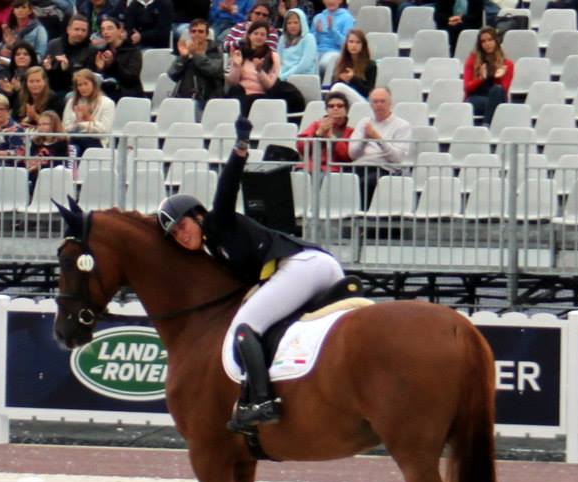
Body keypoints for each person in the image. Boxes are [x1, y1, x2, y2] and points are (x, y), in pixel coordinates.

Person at [156, 115, 345, 432]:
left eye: (183, 226)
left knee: (244, 325)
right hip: (322, 268)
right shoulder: (213, 252)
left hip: (302, 266)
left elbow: (227, 188)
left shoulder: (218, 223)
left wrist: (240, 148)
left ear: (198, 216)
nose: (181, 235)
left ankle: (261, 400)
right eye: (174, 235)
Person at [347, 86, 412, 206]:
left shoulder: (402, 125)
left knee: (366, 183)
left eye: (382, 101)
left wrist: (378, 139)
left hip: (384, 168)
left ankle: (362, 218)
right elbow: (352, 154)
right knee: (339, 180)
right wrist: (365, 139)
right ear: (370, 104)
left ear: (390, 103)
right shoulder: (364, 123)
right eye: (375, 102)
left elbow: (397, 158)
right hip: (360, 166)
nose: (379, 105)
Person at [168, 17, 224, 119]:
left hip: (207, 98)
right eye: (193, 31)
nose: (197, 34)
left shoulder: (215, 50)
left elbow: (213, 70)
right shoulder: (186, 49)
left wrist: (196, 55)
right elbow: (172, 74)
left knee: (193, 109)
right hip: (183, 96)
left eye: (200, 31)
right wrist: (183, 58)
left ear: (207, 34)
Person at [225, 20, 280, 115]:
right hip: (240, 94)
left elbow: (269, 85)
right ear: (249, 35)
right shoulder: (239, 53)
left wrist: (259, 71)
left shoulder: (273, 56)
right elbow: (232, 82)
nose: (259, 37)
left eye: (262, 34)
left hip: (260, 97)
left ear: (266, 38)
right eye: (256, 33)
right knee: (235, 93)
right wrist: (236, 66)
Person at [463, 26, 513, 127]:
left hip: (497, 100)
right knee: (493, 104)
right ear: (480, 44)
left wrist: (498, 77)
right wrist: (480, 78)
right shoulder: (472, 60)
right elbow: (467, 88)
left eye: (490, 40)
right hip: (476, 99)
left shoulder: (507, 64)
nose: (487, 44)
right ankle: (487, 126)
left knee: (497, 90)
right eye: (483, 41)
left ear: (496, 41)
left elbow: (504, 91)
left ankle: (486, 125)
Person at [295, 90, 352, 172]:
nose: (335, 108)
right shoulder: (317, 125)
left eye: (340, 106)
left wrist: (332, 139)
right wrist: (318, 134)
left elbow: (347, 156)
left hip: (335, 171)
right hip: (310, 167)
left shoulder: (350, 131)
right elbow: (301, 147)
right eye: (331, 106)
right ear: (326, 109)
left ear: (346, 110)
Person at [62, 67, 116, 154]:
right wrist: (77, 122)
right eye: (79, 85)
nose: (83, 88)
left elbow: (104, 130)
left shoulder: (107, 103)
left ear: (93, 84)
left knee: (75, 140)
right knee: (74, 145)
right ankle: (72, 166)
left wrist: (86, 120)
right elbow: (65, 127)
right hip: (74, 139)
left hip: (97, 141)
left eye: (86, 84)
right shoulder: (72, 102)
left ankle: (71, 165)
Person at [91, 16, 144, 100]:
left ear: (120, 31)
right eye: (103, 29)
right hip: (106, 92)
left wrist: (113, 64)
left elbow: (131, 79)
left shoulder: (132, 51)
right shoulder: (101, 52)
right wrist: (100, 69)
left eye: (109, 28)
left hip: (129, 93)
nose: (105, 32)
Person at [43, 14, 94, 95]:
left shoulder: (90, 49)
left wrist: (67, 69)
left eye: (83, 30)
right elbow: (44, 74)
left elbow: (88, 78)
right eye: (76, 29)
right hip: (52, 88)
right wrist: (47, 69)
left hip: (76, 91)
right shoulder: (54, 44)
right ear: (68, 30)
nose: (80, 33)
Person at [328, 28, 376, 106]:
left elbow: (369, 92)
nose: (354, 45)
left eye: (358, 42)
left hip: (363, 101)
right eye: (351, 42)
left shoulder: (371, 65)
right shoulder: (340, 62)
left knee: (338, 87)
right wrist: (341, 79)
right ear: (346, 44)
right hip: (343, 100)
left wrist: (353, 79)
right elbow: (332, 86)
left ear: (363, 45)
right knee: (337, 88)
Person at [25, 109, 70, 187]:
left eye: (45, 124)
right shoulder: (35, 141)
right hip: (34, 172)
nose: (41, 127)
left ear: (54, 125)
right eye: (39, 124)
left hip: (53, 174)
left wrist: (39, 166)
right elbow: (31, 158)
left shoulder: (62, 142)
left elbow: (60, 163)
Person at [13, 65, 64, 129]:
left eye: (38, 81)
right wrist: (24, 122)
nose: (35, 85)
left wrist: (35, 116)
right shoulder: (20, 98)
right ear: (26, 83)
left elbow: (56, 125)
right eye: (31, 81)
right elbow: (15, 121)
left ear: (45, 82)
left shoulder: (54, 99)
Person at [311, 0, 354, 75]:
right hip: (317, 51)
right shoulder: (318, 17)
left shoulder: (347, 18)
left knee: (324, 64)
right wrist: (317, 33)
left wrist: (333, 30)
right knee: (308, 64)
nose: (331, 1)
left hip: (336, 51)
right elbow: (311, 42)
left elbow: (346, 44)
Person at [277, 7, 316, 79]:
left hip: (303, 77)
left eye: (295, 22)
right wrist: (279, 75)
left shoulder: (308, 38)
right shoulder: (282, 39)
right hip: (282, 76)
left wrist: (285, 76)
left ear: (302, 23)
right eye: (289, 23)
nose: (292, 26)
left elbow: (305, 65)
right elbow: (278, 61)